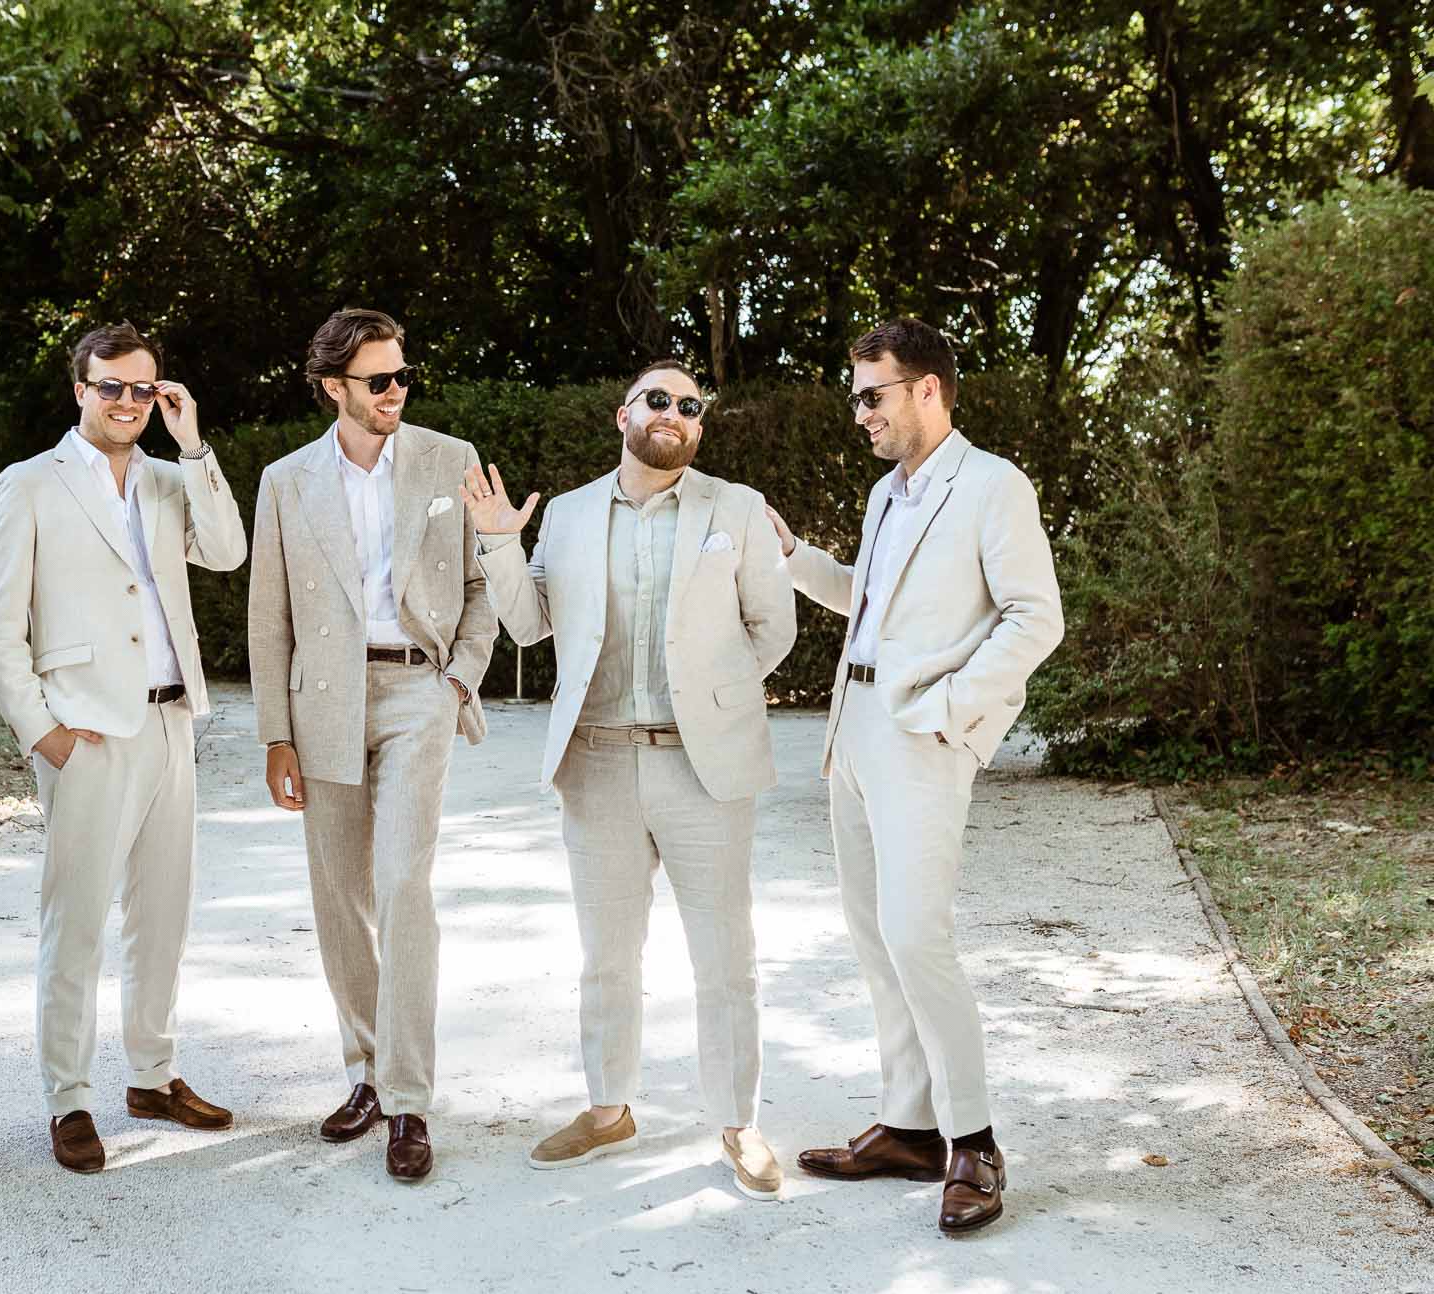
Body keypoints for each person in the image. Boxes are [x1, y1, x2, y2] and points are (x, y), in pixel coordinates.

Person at [463, 359, 796, 1198]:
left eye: (691, 407)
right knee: (606, 955)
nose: (675, 414)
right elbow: (531, 624)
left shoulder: (739, 510)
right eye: (660, 399)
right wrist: (502, 542)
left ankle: (736, 1121)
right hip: (599, 758)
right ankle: (609, 1110)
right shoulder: (570, 516)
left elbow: (773, 630)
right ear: (624, 415)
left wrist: (711, 700)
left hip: (702, 762)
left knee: (725, 956)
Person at [765, 317, 1063, 1233]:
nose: (859, 413)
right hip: (851, 734)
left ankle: (974, 1142)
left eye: (872, 395)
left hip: (921, 739)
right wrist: (792, 559)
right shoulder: (885, 493)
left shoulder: (992, 486)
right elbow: (873, 597)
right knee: (871, 935)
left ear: (926, 388)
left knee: (915, 933)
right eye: (856, 396)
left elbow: (1033, 617)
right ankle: (909, 1125)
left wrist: (949, 711)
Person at [0, 322, 247, 1175]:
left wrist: (194, 443)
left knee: (163, 912)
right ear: (80, 390)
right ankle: (69, 1096)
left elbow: (229, 552)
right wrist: (42, 731)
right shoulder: (30, 484)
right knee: (79, 920)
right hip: (85, 734)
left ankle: (152, 1075)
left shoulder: (172, 480)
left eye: (144, 389)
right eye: (112, 387)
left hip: (171, 722)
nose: (129, 402)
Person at [246, 307, 497, 1182]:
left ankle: (409, 1098)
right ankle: (363, 1070)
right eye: (378, 380)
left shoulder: (448, 458)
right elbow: (267, 613)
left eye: (402, 377)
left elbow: (481, 581)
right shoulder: (284, 480)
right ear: (333, 389)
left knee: (401, 884)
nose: (397, 392)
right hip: (322, 702)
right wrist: (275, 733)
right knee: (340, 895)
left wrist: (458, 677)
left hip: (417, 692)